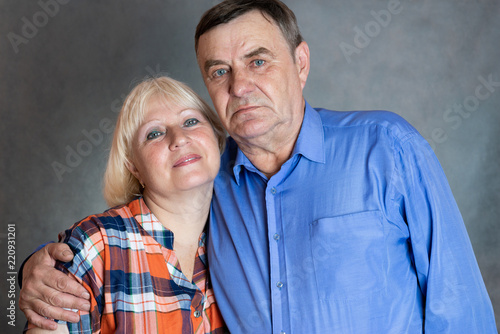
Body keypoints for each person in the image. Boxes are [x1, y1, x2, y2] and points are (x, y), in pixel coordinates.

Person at [20, 0, 497, 333]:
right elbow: (134, 244)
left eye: (258, 61)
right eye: (219, 71)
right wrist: (27, 269)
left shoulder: (386, 148)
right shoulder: (208, 181)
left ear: (301, 61)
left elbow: (459, 307)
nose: (240, 86)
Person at [23, 76, 227, 333]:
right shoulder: (97, 245)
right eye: (155, 133)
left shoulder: (245, 235)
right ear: (134, 167)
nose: (179, 138)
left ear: (217, 138)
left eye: (191, 121)